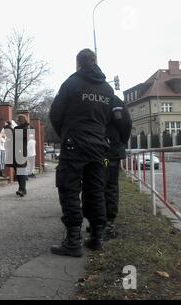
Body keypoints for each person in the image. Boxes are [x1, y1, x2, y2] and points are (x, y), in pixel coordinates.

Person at [49, 49, 115, 257]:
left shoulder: (71, 83)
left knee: (69, 189)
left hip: (74, 145)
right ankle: (96, 237)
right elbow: (109, 119)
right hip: (98, 147)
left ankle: (73, 240)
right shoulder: (107, 89)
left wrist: (67, 134)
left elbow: (55, 114)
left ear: (78, 64)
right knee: (96, 190)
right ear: (95, 62)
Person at [84, 96, 132, 240]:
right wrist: (119, 142)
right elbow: (125, 124)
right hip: (105, 150)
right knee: (104, 186)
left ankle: (103, 224)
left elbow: (125, 123)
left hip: (101, 150)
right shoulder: (108, 97)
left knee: (101, 186)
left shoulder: (94, 96)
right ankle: (102, 224)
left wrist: (117, 142)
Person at [6, 115, 29, 197]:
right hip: (15, 153)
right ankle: (22, 189)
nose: (17, 121)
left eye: (18, 120)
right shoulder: (16, 128)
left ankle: (22, 189)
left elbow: (17, 136)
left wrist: (9, 128)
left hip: (21, 153)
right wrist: (8, 127)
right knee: (18, 172)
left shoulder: (26, 129)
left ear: (21, 121)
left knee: (21, 172)